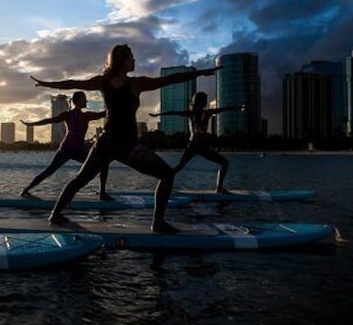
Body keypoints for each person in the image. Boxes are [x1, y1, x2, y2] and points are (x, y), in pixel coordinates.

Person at [31, 44, 219, 233]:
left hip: (107, 143)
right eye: (131, 57)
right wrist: (47, 84)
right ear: (122, 61)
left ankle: (55, 214)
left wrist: (199, 73)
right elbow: (73, 83)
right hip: (125, 145)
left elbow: (169, 79)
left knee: (80, 179)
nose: (134, 60)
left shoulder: (118, 83)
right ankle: (158, 223)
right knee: (167, 175)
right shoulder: (128, 84)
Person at [19, 91, 111, 200]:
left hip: (79, 150)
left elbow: (104, 113)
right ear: (77, 101)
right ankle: (26, 190)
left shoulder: (87, 115)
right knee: (50, 171)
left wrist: (119, 107)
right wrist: (31, 124)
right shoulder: (68, 115)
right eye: (83, 99)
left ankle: (102, 193)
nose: (86, 101)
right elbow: (50, 120)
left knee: (103, 164)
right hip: (66, 149)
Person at [149, 91, 245, 193]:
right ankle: (164, 183)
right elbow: (174, 112)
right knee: (178, 168)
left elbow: (223, 109)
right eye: (205, 100)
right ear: (199, 101)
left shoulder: (208, 113)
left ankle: (219, 188)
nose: (206, 102)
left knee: (225, 162)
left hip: (203, 147)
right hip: (192, 147)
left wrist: (238, 108)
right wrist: (158, 114)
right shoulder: (191, 113)